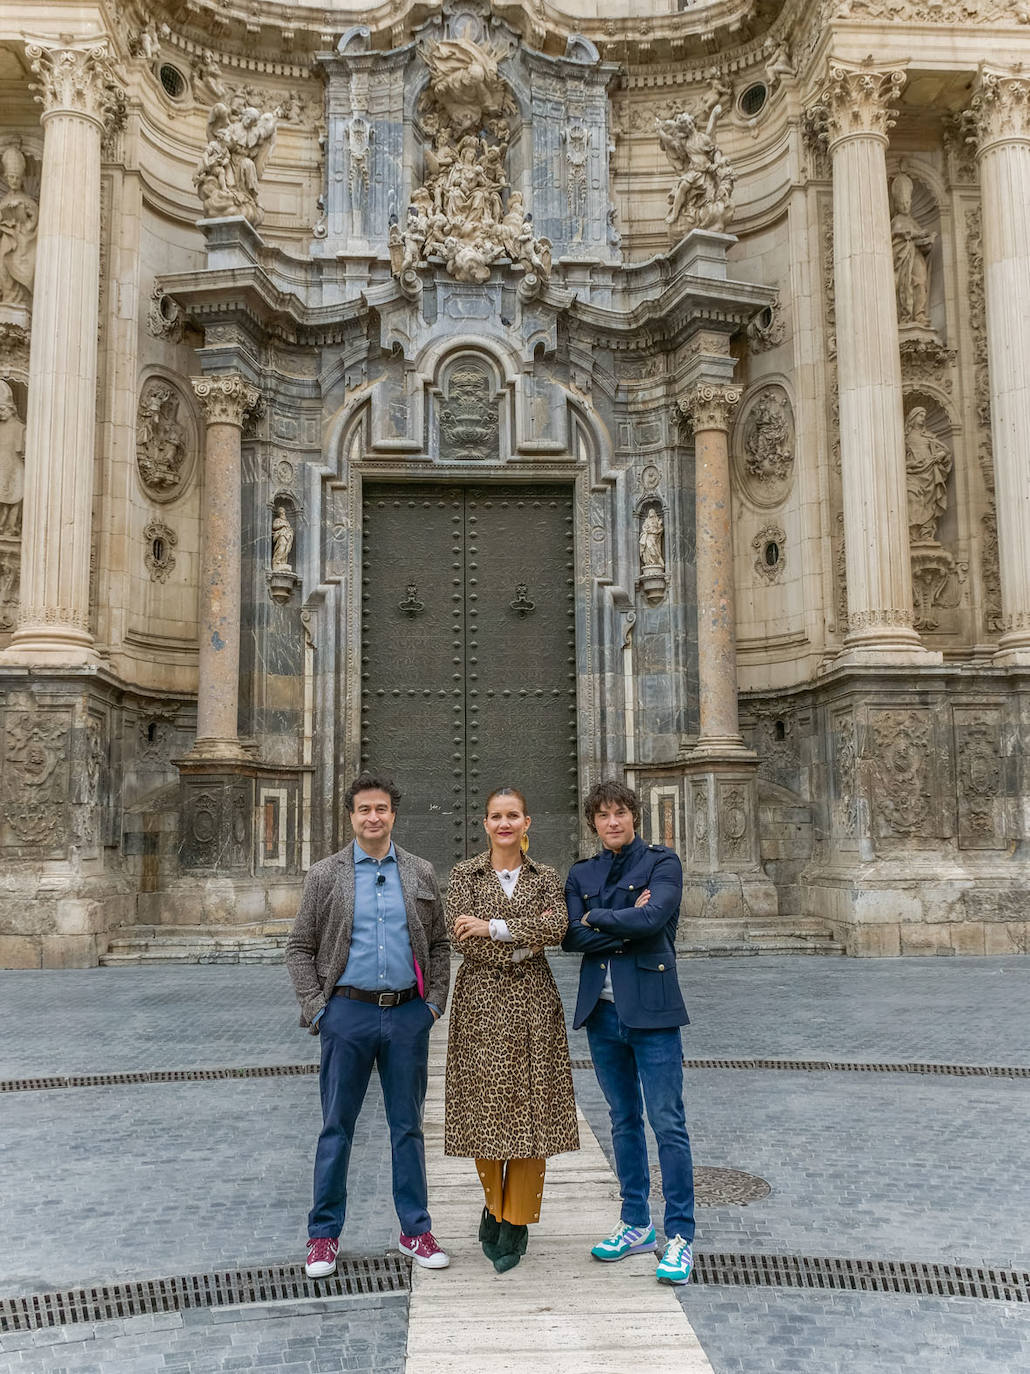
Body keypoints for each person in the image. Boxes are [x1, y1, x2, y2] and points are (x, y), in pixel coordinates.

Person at [286, 770, 452, 1278]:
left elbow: (441, 944)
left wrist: (432, 1006)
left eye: (381, 809)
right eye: (364, 809)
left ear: (393, 814)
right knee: (337, 1127)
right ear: (352, 817)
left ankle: (415, 1230)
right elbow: (299, 948)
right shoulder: (324, 875)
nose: (373, 817)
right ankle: (323, 1237)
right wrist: (320, 1009)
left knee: (408, 1128)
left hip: (406, 1015)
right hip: (347, 1014)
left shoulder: (421, 872)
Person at [562, 779, 696, 1286]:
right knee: (623, 1121)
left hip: (654, 1013)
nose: (612, 822)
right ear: (593, 823)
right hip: (602, 1014)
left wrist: (598, 916)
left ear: (633, 816)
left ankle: (679, 1235)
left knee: (668, 1124)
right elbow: (571, 936)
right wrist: (624, 917)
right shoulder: (582, 871)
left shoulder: (663, 863)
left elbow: (656, 917)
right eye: (603, 815)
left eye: (620, 813)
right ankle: (636, 1223)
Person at [445, 786, 579, 1273]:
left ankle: (515, 1220)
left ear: (528, 823)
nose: (505, 824)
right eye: (497, 816)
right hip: (480, 1005)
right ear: (485, 824)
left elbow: (557, 929)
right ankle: (493, 1203)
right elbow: (462, 940)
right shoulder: (464, 875)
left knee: (532, 1108)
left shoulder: (546, 877)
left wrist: (492, 927)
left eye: (514, 816)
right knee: (486, 1108)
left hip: (534, 1005)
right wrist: (521, 936)